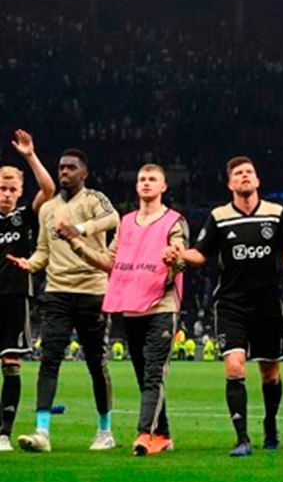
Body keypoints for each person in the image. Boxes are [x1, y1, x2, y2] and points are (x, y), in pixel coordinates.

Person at [167, 156, 283, 457]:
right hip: (231, 304)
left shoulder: (275, 214)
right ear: (230, 183)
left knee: (270, 373)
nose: (245, 176)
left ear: (258, 180)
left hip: (267, 304)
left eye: (249, 172)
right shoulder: (220, 216)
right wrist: (180, 256)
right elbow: (201, 254)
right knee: (235, 367)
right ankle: (242, 438)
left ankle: (270, 424)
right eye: (238, 173)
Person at [67, 163, 188, 456]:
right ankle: (163, 434)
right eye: (142, 179)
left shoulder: (175, 221)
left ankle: (143, 433)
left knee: (154, 374)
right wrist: (77, 245)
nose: (146, 183)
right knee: (142, 373)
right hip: (133, 306)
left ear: (163, 187)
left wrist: (174, 260)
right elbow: (111, 262)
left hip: (162, 303)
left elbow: (182, 258)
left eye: (152, 180)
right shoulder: (127, 222)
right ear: (137, 187)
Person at [7, 148, 118, 453]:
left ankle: (105, 430)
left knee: (96, 362)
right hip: (57, 291)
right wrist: (29, 264)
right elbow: (43, 250)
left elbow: (113, 218)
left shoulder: (95, 199)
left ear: (84, 173)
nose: (64, 172)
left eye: (71, 167)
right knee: (49, 359)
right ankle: (42, 431)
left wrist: (80, 230)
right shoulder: (48, 209)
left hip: (92, 290)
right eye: (61, 167)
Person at [0, 130, 55, 451]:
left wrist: (30, 156)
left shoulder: (24, 217)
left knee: (11, 364)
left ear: (20, 191)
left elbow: (48, 189)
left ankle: (4, 433)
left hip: (14, 298)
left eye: (11, 189)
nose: (6, 194)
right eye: (2, 188)